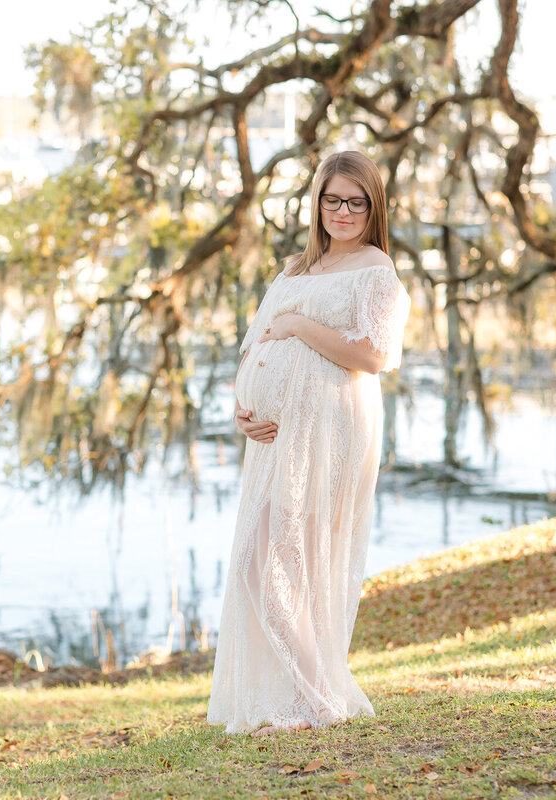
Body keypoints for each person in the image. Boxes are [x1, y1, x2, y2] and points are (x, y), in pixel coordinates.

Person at [206, 150, 411, 737]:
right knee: (264, 557)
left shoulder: (377, 270)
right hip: (275, 435)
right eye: (332, 198)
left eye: (355, 201)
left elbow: (375, 355)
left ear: (373, 208)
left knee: (288, 555)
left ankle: (315, 698)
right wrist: (243, 407)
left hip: (331, 427)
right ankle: (310, 693)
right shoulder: (296, 270)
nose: (342, 210)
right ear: (316, 201)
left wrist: (298, 326)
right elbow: (253, 346)